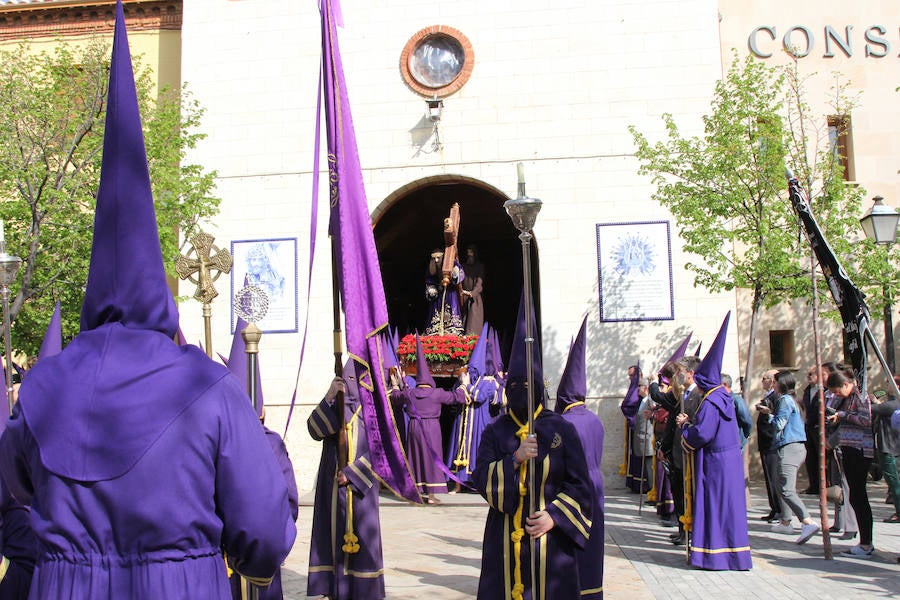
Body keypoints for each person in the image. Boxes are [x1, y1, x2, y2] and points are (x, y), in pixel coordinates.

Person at [0, 6, 296, 596]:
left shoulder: (40, 388)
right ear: (161, 292)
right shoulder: (209, 389)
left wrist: (64, 555)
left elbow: (9, 505)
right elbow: (262, 533)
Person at [474, 295, 592, 600]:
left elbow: (580, 485)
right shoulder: (494, 431)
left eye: (527, 387)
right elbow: (481, 478)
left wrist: (555, 516)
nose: (520, 393)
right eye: (514, 386)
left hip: (551, 544)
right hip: (504, 541)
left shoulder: (561, 429)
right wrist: (514, 459)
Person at [676, 312, 752, 570]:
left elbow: (702, 434)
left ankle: (715, 555)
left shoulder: (711, 401)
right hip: (728, 460)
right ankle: (733, 554)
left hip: (715, 464)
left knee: (715, 508)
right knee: (728, 509)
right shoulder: (723, 398)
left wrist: (686, 428)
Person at [307, 364, 386, 599]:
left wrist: (352, 474)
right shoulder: (336, 408)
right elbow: (313, 429)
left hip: (361, 492)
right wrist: (329, 396)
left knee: (364, 544)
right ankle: (333, 589)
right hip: (332, 492)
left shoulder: (372, 411)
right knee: (331, 541)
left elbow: (381, 452)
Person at [554, 317, 605, 600]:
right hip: (595, 487)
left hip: (573, 489)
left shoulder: (563, 423)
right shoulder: (595, 420)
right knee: (593, 545)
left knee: (573, 545)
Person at [390, 335, 466, 503]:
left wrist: (395, 384)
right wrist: (463, 383)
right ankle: (432, 495)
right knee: (432, 459)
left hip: (414, 427)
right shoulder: (437, 393)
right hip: (431, 428)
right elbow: (457, 397)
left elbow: (395, 398)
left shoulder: (410, 393)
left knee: (416, 456)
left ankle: (417, 491)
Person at [758, 371, 820, 544]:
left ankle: (807, 521)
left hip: (790, 447)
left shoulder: (785, 400)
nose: (773, 384)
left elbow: (779, 424)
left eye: (775, 382)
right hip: (792, 447)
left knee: (786, 489)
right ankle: (786, 521)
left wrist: (768, 414)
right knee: (779, 485)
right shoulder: (793, 399)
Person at [826, 364, 875, 558]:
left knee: (858, 496)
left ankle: (866, 543)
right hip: (848, 447)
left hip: (860, 449)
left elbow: (866, 419)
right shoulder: (846, 398)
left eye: (838, 390)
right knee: (855, 496)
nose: (837, 394)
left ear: (846, 384)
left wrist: (843, 415)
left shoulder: (861, 395)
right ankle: (864, 542)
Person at [447, 323, 499, 491]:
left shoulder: (488, 382)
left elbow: (480, 397)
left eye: (474, 368)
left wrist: (467, 386)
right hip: (463, 421)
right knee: (459, 449)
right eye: (470, 368)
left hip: (478, 421)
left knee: (477, 450)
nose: (472, 370)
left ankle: (478, 483)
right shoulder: (464, 378)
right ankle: (458, 484)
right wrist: (462, 385)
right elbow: (456, 395)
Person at [873, 377, 900, 523]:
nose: (887, 384)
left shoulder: (892, 404)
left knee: (894, 482)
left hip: (889, 448)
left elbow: (873, 409)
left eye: (890, 383)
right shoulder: (892, 404)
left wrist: (871, 400)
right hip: (893, 447)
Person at [756, 369, 781, 523]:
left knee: (774, 477)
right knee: (769, 478)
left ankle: (779, 509)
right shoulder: (768, 396)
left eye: (764, 378)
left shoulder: (777, 397)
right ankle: (774, 508)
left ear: (772, 380)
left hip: (772, 442)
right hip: (765, 442)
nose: (762, 381)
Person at [424, 249, 465, 336]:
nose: (436, 260)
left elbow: (460, 273)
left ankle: (452, 330)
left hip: (450, 293)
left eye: (438, 258)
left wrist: (455, 274)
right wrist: (431, 289)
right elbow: (429, 280)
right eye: (434, 258)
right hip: (437, 295)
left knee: (451, 312)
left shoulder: (451, 262)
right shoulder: (431, 267)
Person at [801, 366, 822, 495]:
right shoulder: (807, 391)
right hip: (808, 427)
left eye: (811, 374)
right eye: (807, 374)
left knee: (822, 457)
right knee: (811, 458)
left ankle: (824, 486)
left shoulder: (824, 391)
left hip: (819, 428)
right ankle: (813, 485)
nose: (808, 377)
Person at [722, 373, 752, 449]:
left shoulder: (736, 400)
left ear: (724, 385)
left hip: (736, 443)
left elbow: (746, 420)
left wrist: (744, 436)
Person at [461, 244, 486, 336]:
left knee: (473, 326)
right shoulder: (463, 266)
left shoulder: (480, 266)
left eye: (471, 252)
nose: (469, 255)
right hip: (463, 297)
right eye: (468, 253)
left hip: (475, 299)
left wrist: (472, 293)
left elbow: (479, 284)